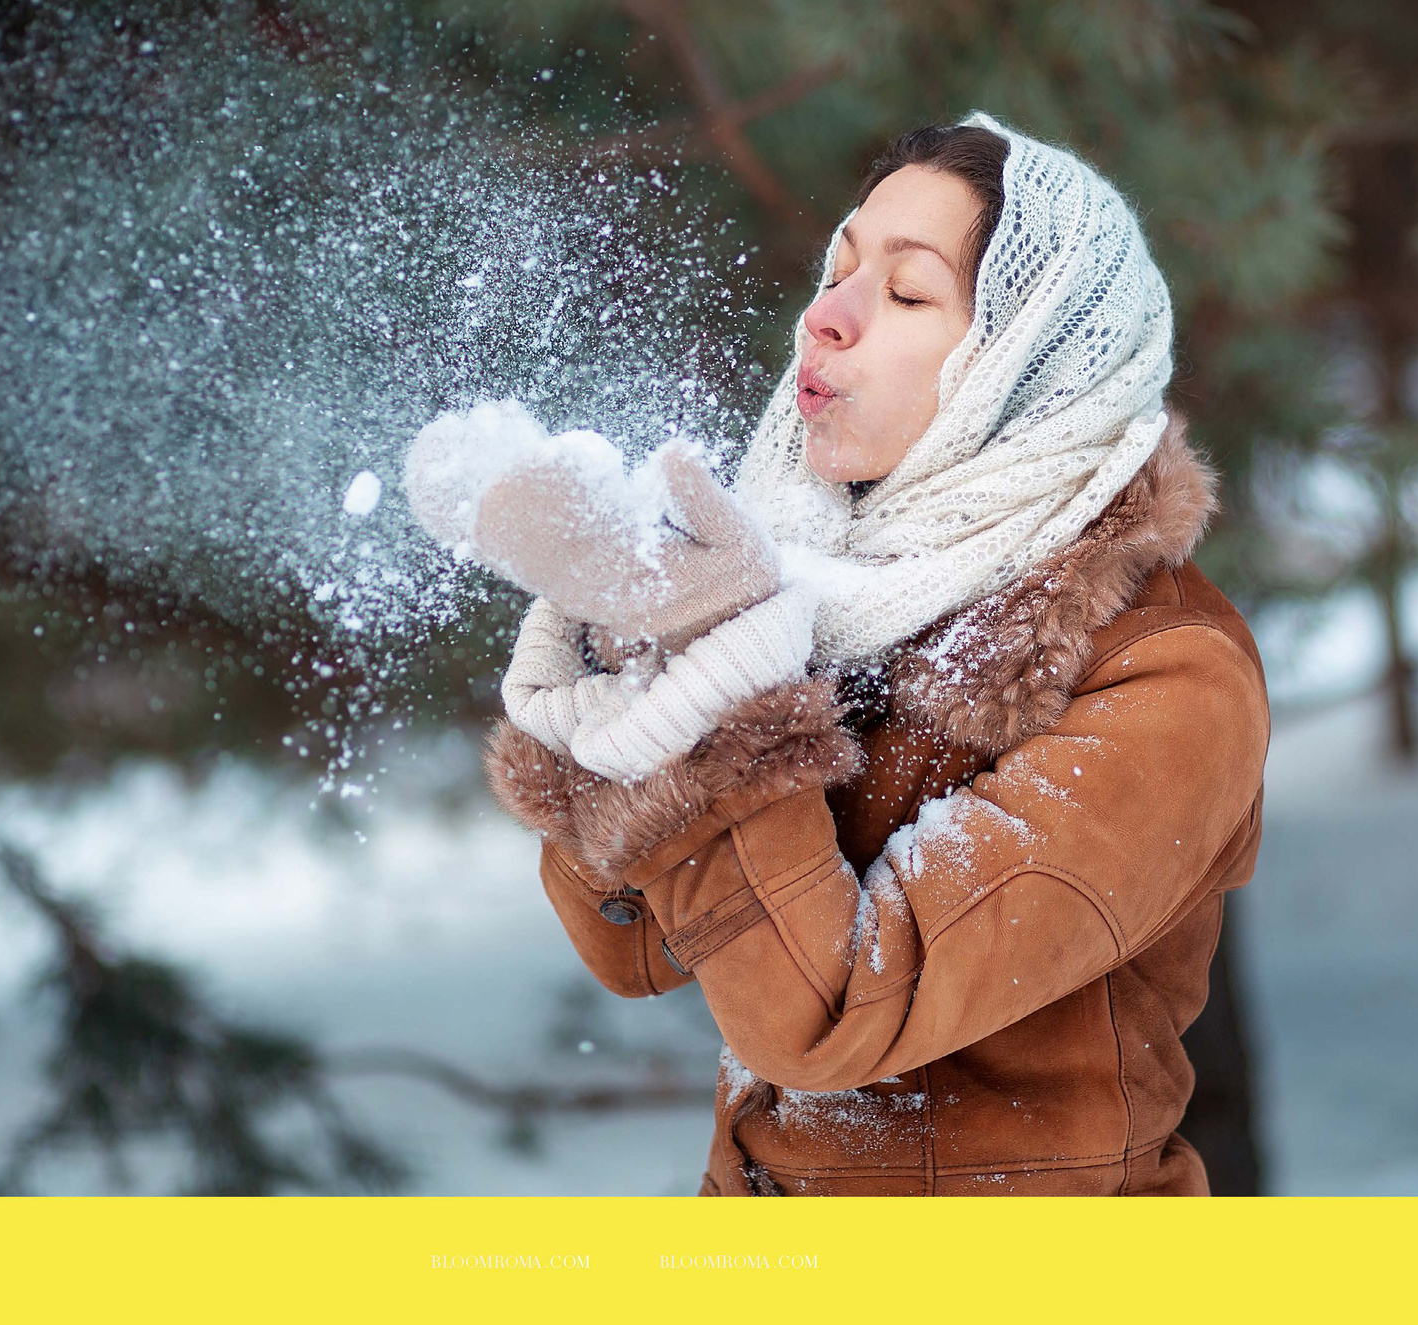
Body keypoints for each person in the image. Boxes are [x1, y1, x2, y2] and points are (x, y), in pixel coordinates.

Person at [478, 112, 1270, 1195]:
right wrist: (638, 636)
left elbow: (831, 1013)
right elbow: (629, 945)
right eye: (839, 268)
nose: (827, 315)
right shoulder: (820, 596)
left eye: (905, 292)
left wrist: (724, 674)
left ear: (1028, 369)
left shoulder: (1169, 675)